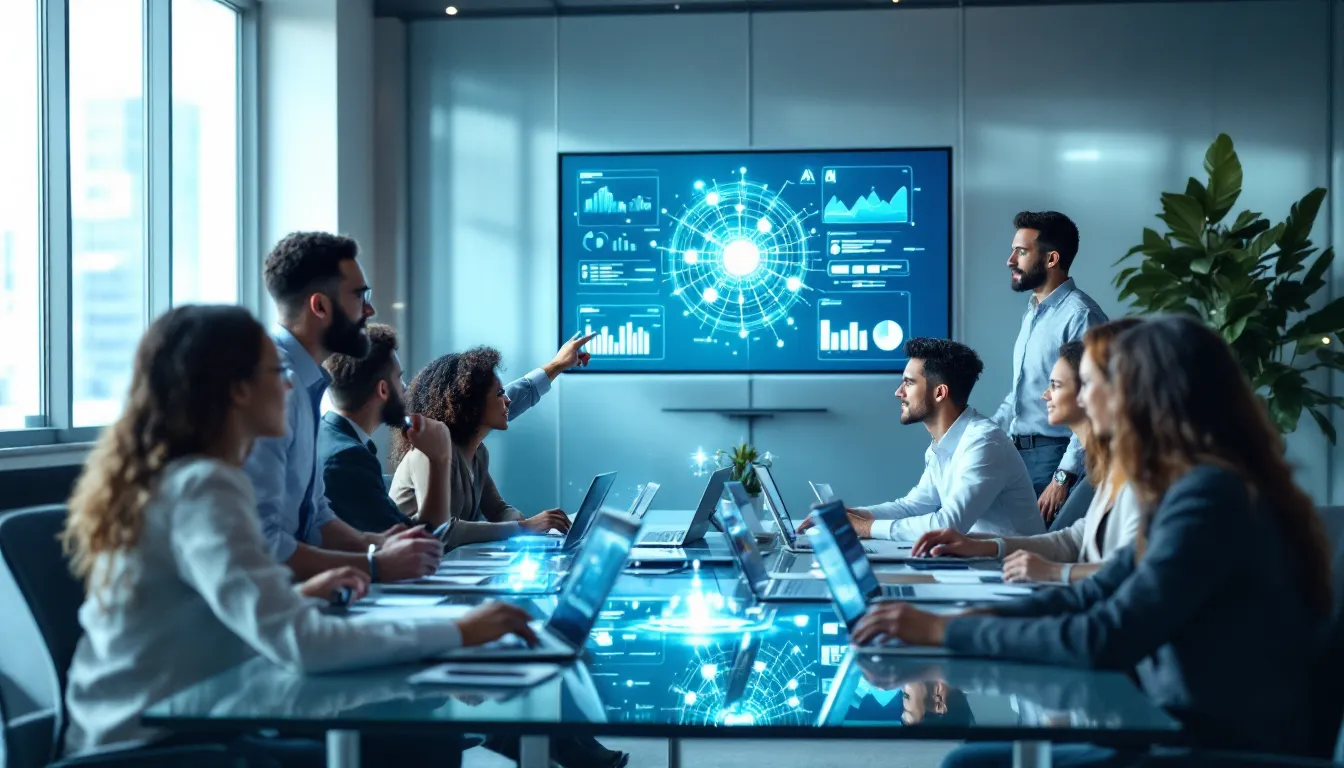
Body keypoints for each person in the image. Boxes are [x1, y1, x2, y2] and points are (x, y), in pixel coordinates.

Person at [60, 305, 538, 762]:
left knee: (397, 740)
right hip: (150, 746)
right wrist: (460, 630)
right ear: (237, 390)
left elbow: (214, 610)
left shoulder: (192, 476)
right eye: (277, 374)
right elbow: (303, 644)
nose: (291, 387)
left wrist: (303, 595)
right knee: (406, 744)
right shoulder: (204, 487)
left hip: (187, 721)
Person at [850, 316, 1334, 764]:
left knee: (969, 761)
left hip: (1210, 742)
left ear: (1143, 394)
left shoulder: (1208, 497)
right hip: (1171, 723)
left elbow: (1105, 633)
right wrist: (968, 619)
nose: (1085, 396)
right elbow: (1095, 593)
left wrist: (944, 632)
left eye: (1099, 383)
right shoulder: (1189, 487)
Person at [244, 232, 593, 581]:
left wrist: (377, 542)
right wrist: (374, 562)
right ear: (319, 306)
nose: (370, 309)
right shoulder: (273, 385)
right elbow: (264, 542)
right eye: (359, 295)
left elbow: (316, 518)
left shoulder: (306, 387)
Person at [912, 321, 1143, 585]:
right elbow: (1076, 539)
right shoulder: (1114, 468)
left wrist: (1054, 572)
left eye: (1086, 384)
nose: (1045, 395)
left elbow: (1134, 573)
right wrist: (981, 545)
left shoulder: (1146, 475)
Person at [798, 338, 1042, 541]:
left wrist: (862, 528)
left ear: (939, 392)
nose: (898, 393)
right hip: (974, 564)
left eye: (908, 383)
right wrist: (855, 515)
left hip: (1010, 573)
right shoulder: (944, 444)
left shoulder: (984, 444)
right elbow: (912, 506)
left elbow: (948, 525)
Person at [389, 347, 571, 549]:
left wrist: (538, 527)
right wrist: (523, 527)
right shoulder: (429, 453)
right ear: (471, 403)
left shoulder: (478, 453)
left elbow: (498, 510)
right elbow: (444, 531)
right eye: (500, 393)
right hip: (405, 568)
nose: (508, 400)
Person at [993, 211, 1108, 524]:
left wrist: (1063, 476)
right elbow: (1022, 391)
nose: (1010, 260)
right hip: (1018, 455)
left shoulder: (1080, 315)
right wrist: (987, 434)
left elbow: (1093, 403)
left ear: (1051, 258)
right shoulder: (1033, 312)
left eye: (1021, 251)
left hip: (1053, 456)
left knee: (1040, 554)